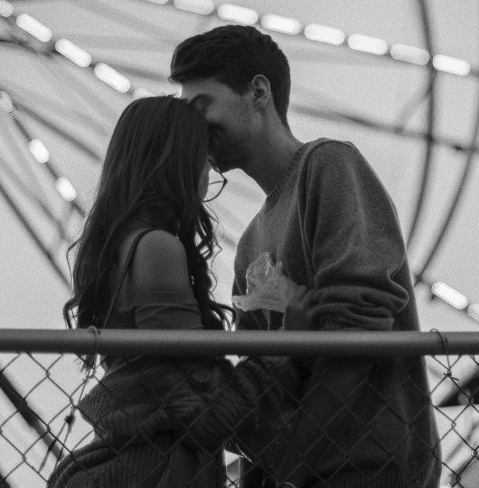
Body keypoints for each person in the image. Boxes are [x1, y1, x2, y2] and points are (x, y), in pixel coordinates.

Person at [170, 25, 441, 488]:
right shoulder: (251, 246)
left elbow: (358, 336)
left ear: (258, 91)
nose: (194, 129)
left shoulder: (330, 167)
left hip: (365, 468)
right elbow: (262, 384)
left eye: (202, 106)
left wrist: (290, 468)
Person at [49, 95, 301, 488]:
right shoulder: (156, 248)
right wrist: (289, 340)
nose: (209, 172)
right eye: (206, 159)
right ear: (179, 161)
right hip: (157, 472)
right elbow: (205, 408)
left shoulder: (118, 246)